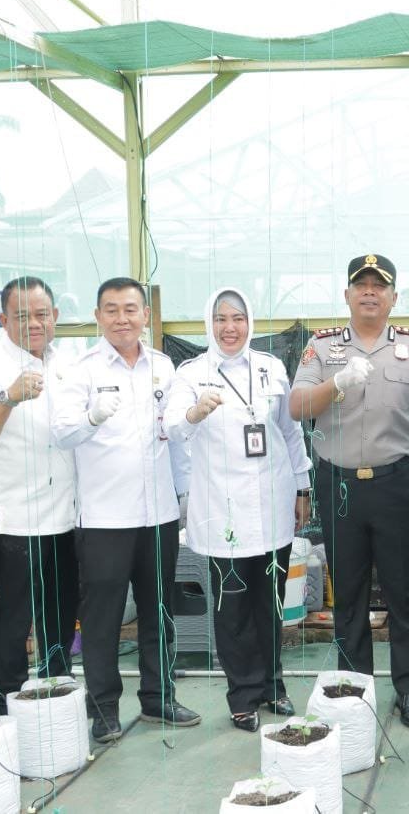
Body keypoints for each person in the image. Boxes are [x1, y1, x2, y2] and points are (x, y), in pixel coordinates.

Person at [290, 254, 409, 729]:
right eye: (362, 285)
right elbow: (297, 407)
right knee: (349, 594)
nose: (370, 292)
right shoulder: (322, 347)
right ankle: (356, 689)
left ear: (394, 297)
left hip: (396, 483)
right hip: (339, 487)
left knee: (404, 592)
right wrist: (337, 383)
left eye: (380, 286)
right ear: (347, 295)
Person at [50, 277, 199, 742]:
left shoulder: (162, 367)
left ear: (145, 316)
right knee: (103, 618)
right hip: (104, 518)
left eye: (130, 309)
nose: (122, 319)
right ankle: (103, 708)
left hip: (157, 515)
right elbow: (62, 433)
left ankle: (159, 697)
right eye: (111, 310)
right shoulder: (82, 370)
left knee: (159, 610)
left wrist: (185, 494)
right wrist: (92, 416)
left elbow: (176, 438)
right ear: (98, 316)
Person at [166, 287, 313, 731]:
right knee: (232, 610)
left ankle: (273, 686)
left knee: (270, 603)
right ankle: (243, 695)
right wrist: (194, 413)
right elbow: (172, 427)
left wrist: (302, 487)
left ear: (250, 322)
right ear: (208, 324)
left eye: (238, 318)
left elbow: (290, 432)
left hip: (272, 504)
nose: (229, 328)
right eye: (221, 319)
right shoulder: (192, 374)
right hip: (223, 510)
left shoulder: (271, 368)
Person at [0, 277, 78, 715]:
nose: (34, 324)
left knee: (61, 612)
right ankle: (6, 703)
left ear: (55, 317)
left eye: (42, 314)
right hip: (13, 516)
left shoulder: (68, 363)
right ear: (3, 319)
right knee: (14, 616)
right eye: (22, 316)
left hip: (65, 513)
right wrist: (8, 398)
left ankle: (58, 695)